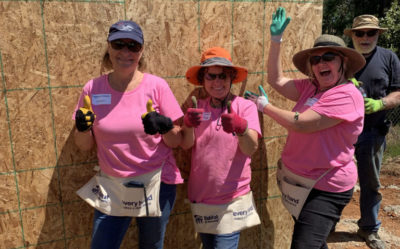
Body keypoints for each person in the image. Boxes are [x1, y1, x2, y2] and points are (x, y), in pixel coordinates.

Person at [246, 7, 366, 249]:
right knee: (314, 242)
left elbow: (300, 124)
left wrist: (264, 107)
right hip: (298, 183)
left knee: (304, 245)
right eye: (316, 59)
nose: (321, 63)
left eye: (328, 57)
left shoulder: (346, 95)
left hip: (325, 187)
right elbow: (276, 80)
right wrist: (276, 41)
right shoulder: (311, 87)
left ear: (343, 62)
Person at [73, 20, 184, 249]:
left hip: (156, 182)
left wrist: (165, 126)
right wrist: (83, 128)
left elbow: (177, 141)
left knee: (151, 246)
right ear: (109, 47)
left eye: (133, 46)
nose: (125, 52)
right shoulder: (92, 90)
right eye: (119, 44)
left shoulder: (157, 86)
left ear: (141, 50)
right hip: (113, 186)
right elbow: (84, 146)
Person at [180, 47, 262, 249]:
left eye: (223, 76)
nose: (217, 82)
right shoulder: (197, 107)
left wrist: (241, 128)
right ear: (203, 79)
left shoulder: (245, 107)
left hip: (232, 199)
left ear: (232, 78)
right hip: (202, 197)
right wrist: (188, 125)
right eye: (211, 76)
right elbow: (186, 144)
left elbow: (251, 148)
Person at [343, 14, 400, 249]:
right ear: (352, 35)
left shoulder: (389, 58)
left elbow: (398, 92)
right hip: (340, 132)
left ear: (378, 34)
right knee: (333, 181)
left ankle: (369, 228)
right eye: (360, 33)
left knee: (370, 182)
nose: (365, 38)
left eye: (371, 33)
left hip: (373, 131)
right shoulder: (342, 58)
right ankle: (324, 224)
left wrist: (380, 104)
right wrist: (345, 82)